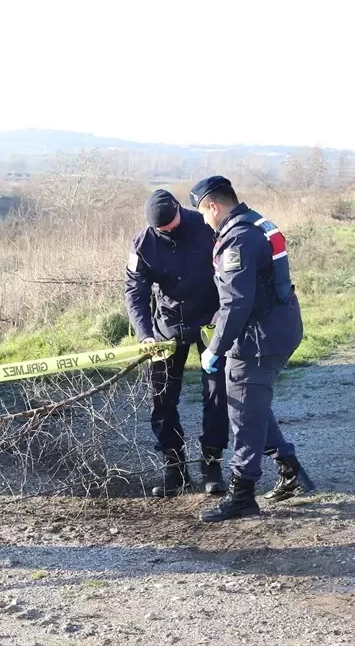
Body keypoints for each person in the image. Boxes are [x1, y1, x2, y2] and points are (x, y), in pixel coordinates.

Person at [189, 176, 315, 522]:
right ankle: (290, 469)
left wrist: (215, 348)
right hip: (278, 326)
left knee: (243, 413)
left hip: (260, 338)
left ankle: (242, 495)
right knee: (252, 403)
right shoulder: (256, 222)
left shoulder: (239, 239)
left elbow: (237, 302)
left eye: (202, 213)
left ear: (214, 206)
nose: (203, 221)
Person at [125, 190, 229, 498]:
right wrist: (145, 333)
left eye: (172, 225)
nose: (168, 231)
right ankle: (174, 465)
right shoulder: (142, 244)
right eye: (162, 230)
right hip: (167, 326)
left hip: (211, 321)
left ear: (179, 213)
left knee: (216, 393)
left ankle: (212, 464)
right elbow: (135, 292)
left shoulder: (207, 227)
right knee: (161, 397)